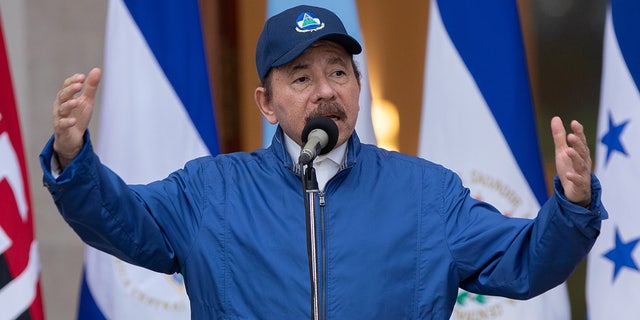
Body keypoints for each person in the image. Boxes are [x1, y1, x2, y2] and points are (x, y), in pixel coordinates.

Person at [41, 5, 607, 319]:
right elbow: (117, 218)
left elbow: (529, 261)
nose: (325, 91)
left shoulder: (427, 195)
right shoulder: (208, 192)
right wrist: (73, 156)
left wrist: (572, 205)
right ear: (266, 103)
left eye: (338, 71)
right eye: (302, 77)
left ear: (358, 86)